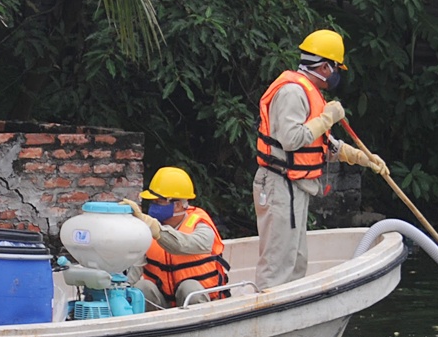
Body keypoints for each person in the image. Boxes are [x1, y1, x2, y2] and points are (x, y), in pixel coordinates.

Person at [253, 29, 384, 291]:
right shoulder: (292, 91)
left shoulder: (310, 92)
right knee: (279, 263)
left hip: (294, 186)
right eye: (336, 68)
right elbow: (292, 139)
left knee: (297, 260)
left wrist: (364, 158)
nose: (337, 75)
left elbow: (324, 143)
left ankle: (289, 318)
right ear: (325, 66)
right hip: (280, 184)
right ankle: (267, 314)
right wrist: (328, 117)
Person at [126, 165, 227, 310]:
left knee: (189, 288)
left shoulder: (200, 225)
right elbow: (134, 270)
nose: (153, 206)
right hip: (162, 306)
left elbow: (184, 245)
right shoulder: (149, 230)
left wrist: (154, 228)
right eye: (152, 202)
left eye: (159, 201)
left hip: (203, 306)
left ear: (178, 205)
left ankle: (196, 329)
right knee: (142, 288)